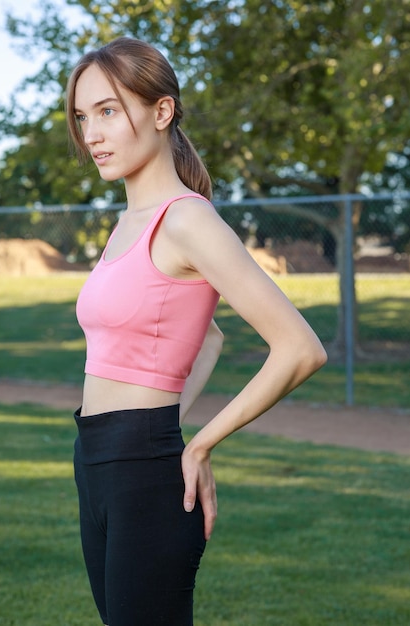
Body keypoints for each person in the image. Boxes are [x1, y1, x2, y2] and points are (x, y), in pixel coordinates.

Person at [66, 36, 327, 626]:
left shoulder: (187, 219)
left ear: (161, 112)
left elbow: (300, 348)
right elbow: (207, 336)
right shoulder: (128, 222)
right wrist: (161, 427)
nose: (92, 134)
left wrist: (194, 441)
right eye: (83, 117)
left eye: (109, 110)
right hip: (97, 460)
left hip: (144, 475)